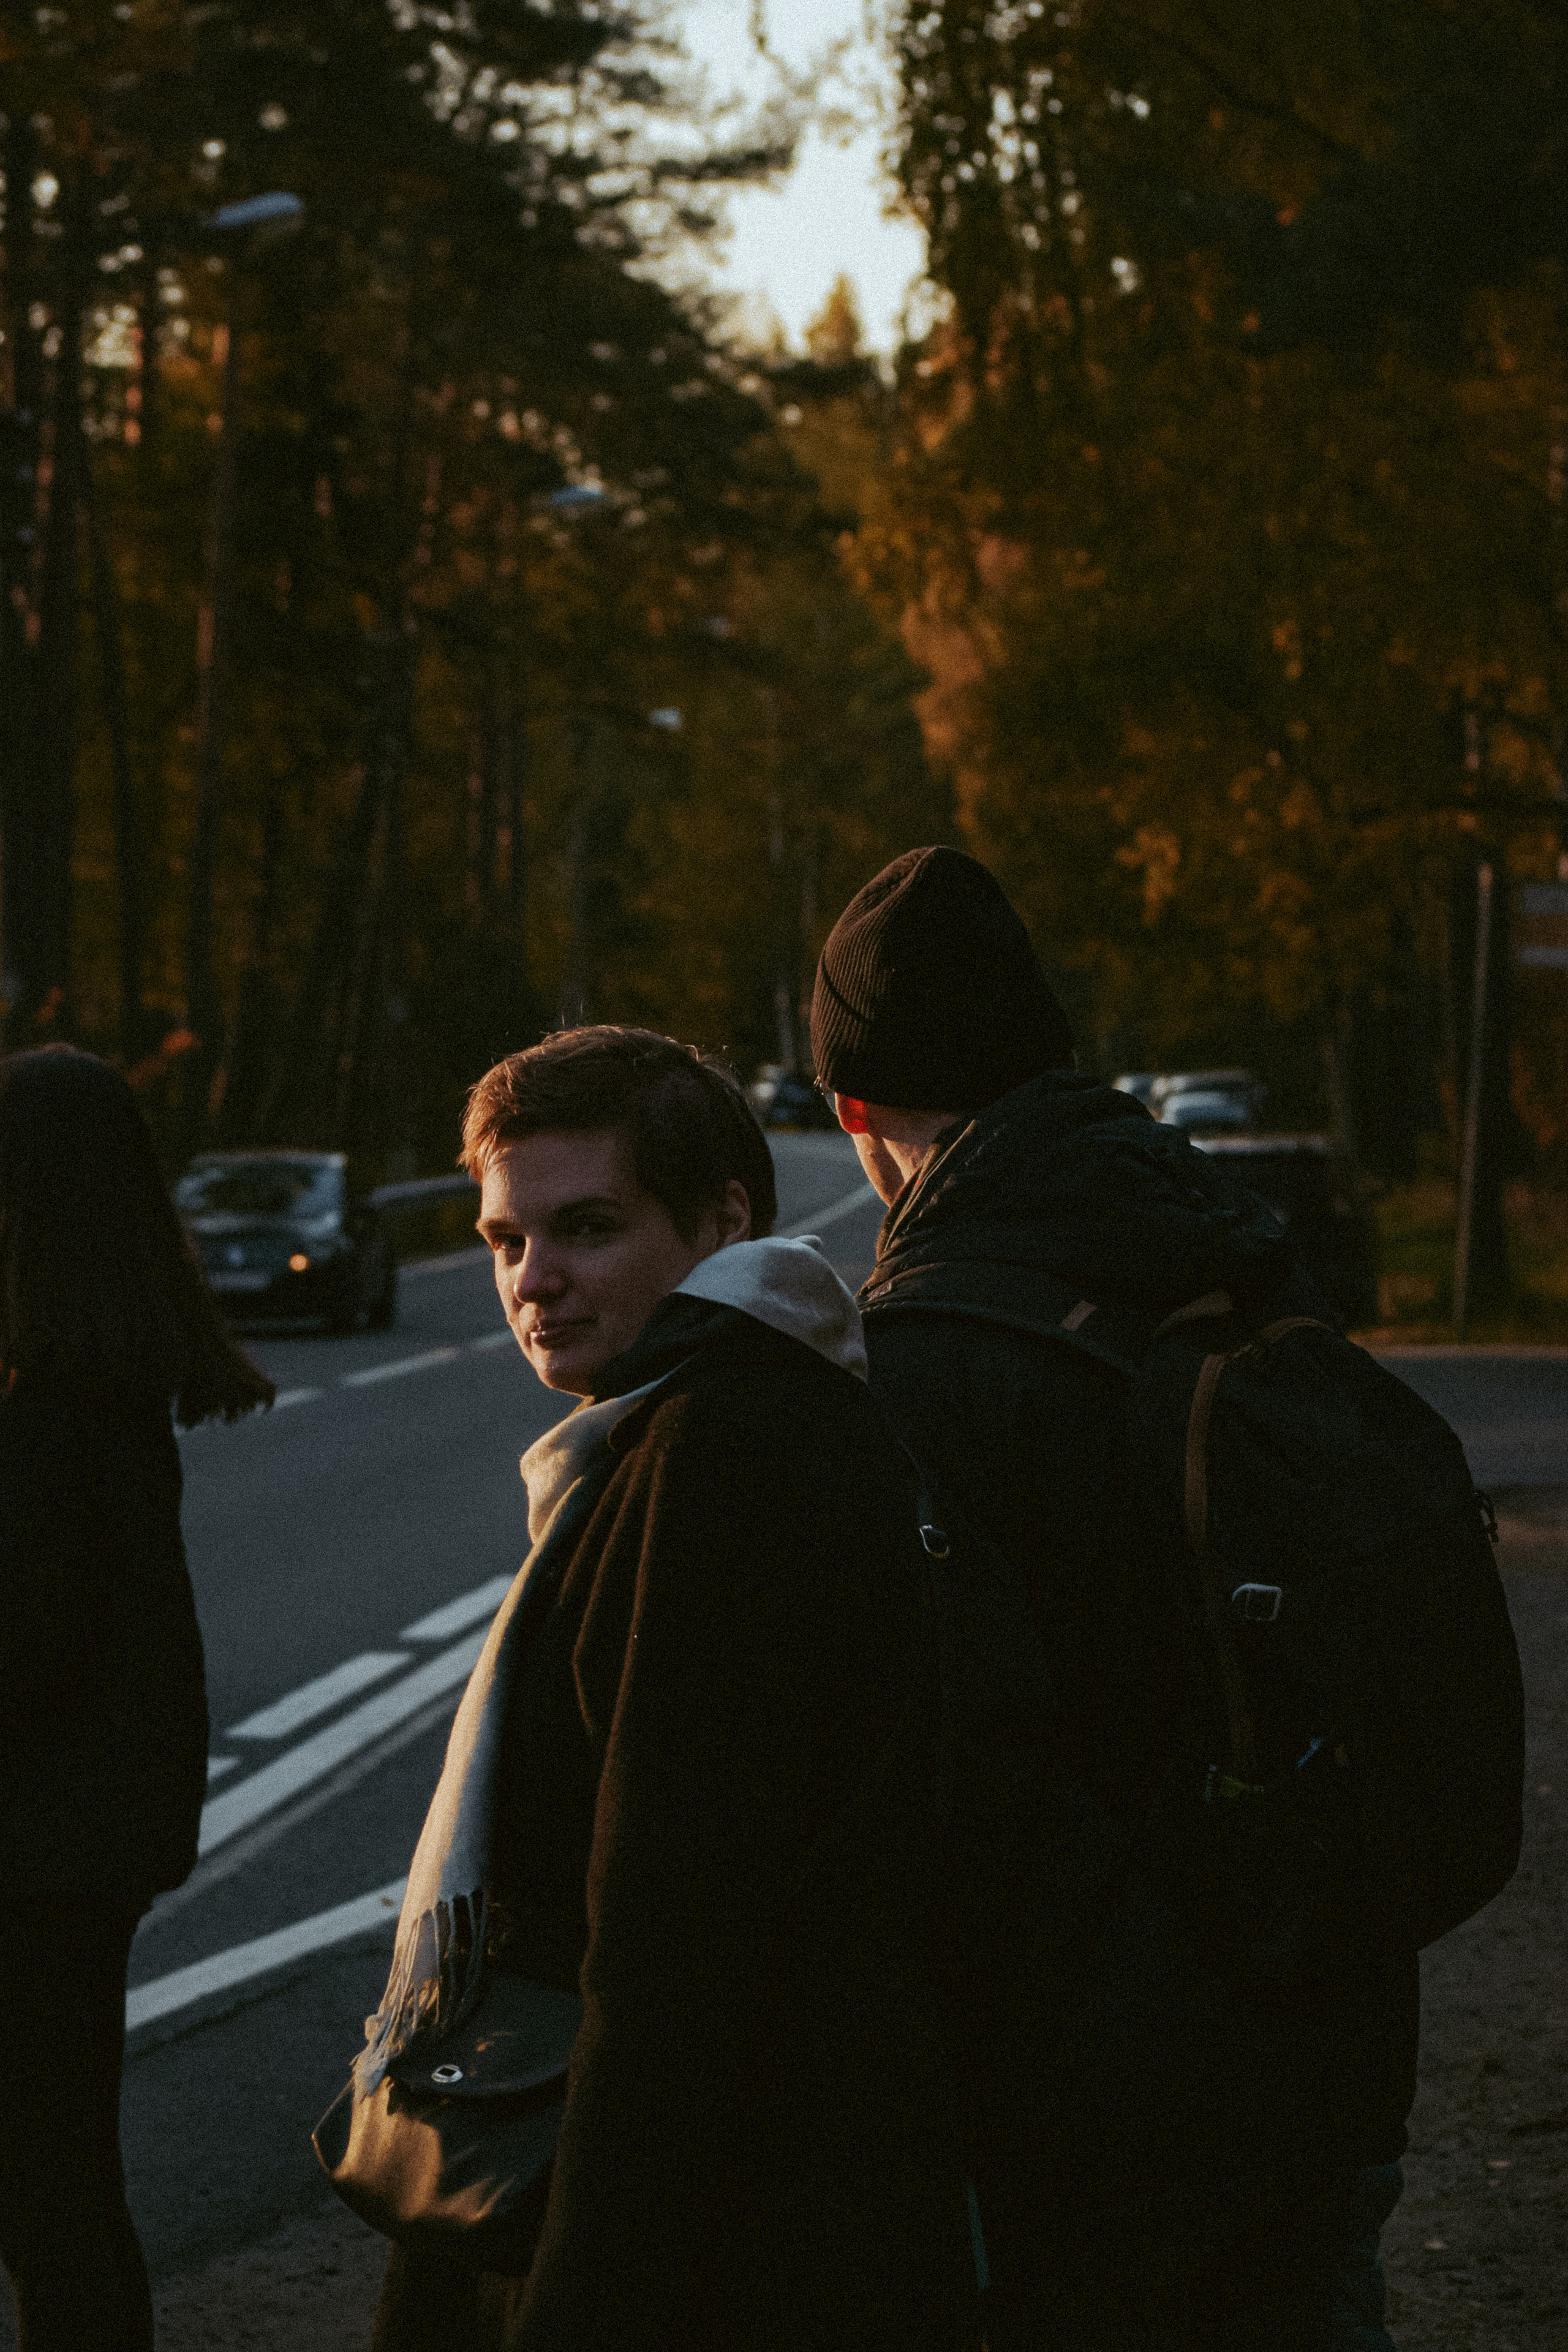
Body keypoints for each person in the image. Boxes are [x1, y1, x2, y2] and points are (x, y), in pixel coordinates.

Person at [810, 846, 1414, 2352]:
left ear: (856, 1115)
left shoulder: (924, 1354)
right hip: (1326, 2016)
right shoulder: (1240, 1256)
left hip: (1089, 2100)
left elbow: (947, 1777)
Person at [366, 1027, 972, 2352]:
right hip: (773, 2181)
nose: (537, 1282)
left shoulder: (715, 1458)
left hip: (729, 2220)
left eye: (586, 1227)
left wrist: (582, 2302)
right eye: (503, 1240)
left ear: (724, 1220)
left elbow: (666, 1944)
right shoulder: (719, 1415)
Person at [0, 1047, 274, 2351]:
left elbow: (29, 1648)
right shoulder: (103, 1385)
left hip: (35, 1850)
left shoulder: (44, 1406)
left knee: (49, 2198)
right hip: (84, 1844)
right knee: (60, 2185)